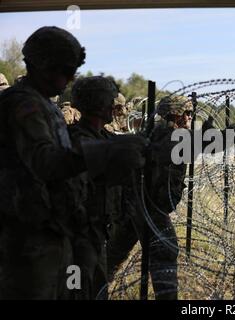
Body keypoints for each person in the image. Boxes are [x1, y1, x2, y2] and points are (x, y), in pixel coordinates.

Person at [0, 26, 146, 300]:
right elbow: (45, 162)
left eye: (71, 71)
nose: (66, 79)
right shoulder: (23, 105)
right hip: (26, 240)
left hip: (52, 231)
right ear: (39, 64)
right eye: (62, 70)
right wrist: (106, 151)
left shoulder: (42, 105)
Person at [107, 95, 235, 300]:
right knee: (165, 251)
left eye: (190, 113)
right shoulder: (170, 137)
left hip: (134, 204)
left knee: (113, 254)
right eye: (185, 113)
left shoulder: (160, 132)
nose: (189, 117)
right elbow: (214, 142)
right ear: (173, 115)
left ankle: (90, 289)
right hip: (148, 208)